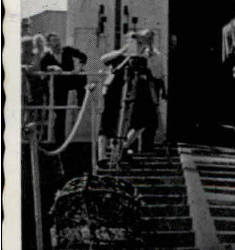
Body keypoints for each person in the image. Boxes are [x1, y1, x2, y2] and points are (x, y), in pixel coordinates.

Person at [97, 30, 161, 166]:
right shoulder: (121, 55)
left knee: (143, 120)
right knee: (107, 122)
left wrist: (149, 46)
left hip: (136, 91)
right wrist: (124, 51)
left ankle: (123, 148)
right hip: (116, 89)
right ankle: (102, 157)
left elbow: (157, 66)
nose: (137, 44)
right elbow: (104, 59)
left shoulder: (146, 55)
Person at [39, 33, 89, 145]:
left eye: (58, 40)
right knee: (60, 114)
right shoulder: (47, 57)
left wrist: (79, 68)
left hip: (70, 80)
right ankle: (59, 141)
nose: (57, 43)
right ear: (49, 44)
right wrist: (51, 67)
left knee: (82, 74)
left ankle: (81, 101)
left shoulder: (67, 50)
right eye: (54, 41)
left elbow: (83, 56)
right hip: (58, 87)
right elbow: (42, 68)